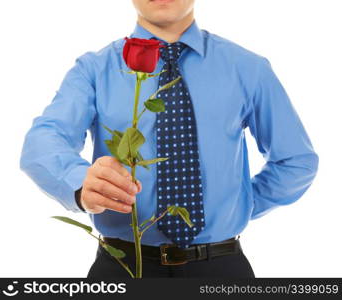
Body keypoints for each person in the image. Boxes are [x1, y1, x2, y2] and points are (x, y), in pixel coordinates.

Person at [20, 0, 319, 278]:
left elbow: (295, 160)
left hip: (221, 268)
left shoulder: (248, 68)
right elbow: (43, 140)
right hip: (122, 266)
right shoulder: (95, 70)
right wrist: (80, 182)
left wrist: (241, 204)